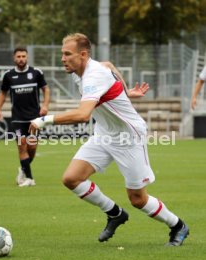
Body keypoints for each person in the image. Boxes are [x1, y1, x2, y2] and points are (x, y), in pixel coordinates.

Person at [29, 33, 189, 246]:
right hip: (104, 134)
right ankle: (115, 213)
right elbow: (110, 65)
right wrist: (125, 92)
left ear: (83, 55)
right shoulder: (84, 70)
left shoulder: (94, 75)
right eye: (62, 54)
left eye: (67, 54)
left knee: (138, 199)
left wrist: (43, 120)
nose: (63, 58)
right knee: (71, 179)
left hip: (128, 137)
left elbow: (83, 115)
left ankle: (177, 225)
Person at [0, 46, 50, 187]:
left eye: (23, 56)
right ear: (14, 58)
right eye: (18, 56)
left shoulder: (36, 73)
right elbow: (3, 92)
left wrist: (45, 106)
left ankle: (23, 169)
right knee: (22, 147)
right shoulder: (8, 75)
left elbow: (46, 89)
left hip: (34, 118)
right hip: (18, 118)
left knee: (32, 148)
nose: (21, 59)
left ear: (27, 57)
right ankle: (30, 179)